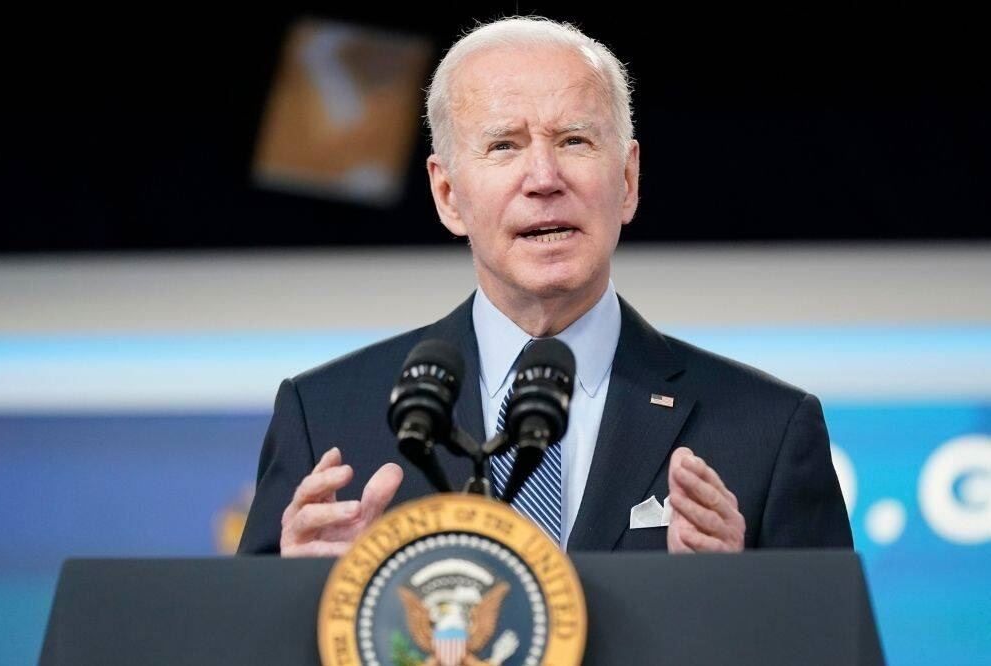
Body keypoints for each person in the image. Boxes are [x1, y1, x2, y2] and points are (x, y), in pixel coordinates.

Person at [238, 16, 852, 556]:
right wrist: (299, 603)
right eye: (504, 145)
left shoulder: (767, 431)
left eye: (574, 141)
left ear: (629, 180)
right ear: (448, 194)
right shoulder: (327, 421)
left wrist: (744, 602)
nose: (543, 177)